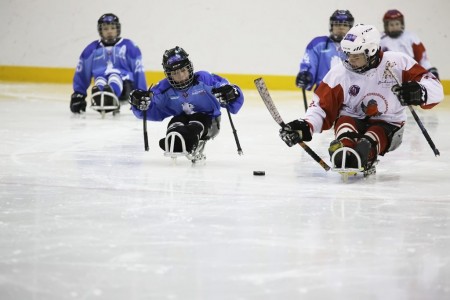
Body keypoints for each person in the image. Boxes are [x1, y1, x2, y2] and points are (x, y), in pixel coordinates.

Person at [280, 24, 444, 173]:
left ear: (371, 52)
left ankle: (367, 152)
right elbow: (321, 108)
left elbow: (436, 88)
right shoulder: (339, 74)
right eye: (348, 55)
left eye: (356, 56)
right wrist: (304, 127)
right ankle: (346, 149)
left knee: (366, 146)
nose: (350, 60)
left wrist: (420, 92)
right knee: (344, 144)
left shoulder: (398, 62)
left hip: (389, 123)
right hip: (351, 118)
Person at [129, 46, 244, 161]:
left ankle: (187, 138)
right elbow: (151, 108)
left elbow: (225, 87)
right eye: (175, 73)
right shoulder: (163, 89)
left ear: (189, 68)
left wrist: (231, 93)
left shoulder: (204, 79)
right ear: (168, 75)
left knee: (199, 119)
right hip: (183, 120)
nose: (181, 76)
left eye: (183, 70)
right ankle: (175, 139)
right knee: (176, 121)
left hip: (210, 123)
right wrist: (139, 103)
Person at [70, 13, 147, 114]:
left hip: (125, 85)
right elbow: (82, 72)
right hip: (102, 79)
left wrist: (141, 93)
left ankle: (110, 95)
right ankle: (101, 95)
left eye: (112, 28)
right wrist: (79, 94)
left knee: (114, 77)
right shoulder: (91, 49)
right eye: (105, 29)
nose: (109, 31)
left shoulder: (129, 46)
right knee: (100, 81)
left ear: (117, 29)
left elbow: (138, 71)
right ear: (100, 31)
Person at [295, 10, 354, 91]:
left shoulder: (356, 47)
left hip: (350, 93)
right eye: (337, 24)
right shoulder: (318, 44)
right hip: (323, 94)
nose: (341, 27)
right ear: (331, 26)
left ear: (350, 28)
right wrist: (306, 75)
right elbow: (310, 64)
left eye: (345, 25)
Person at [380, 9, 439, 79]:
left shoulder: (411, 37)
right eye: (391, 25)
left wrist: (429, 69)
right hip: (389, 75)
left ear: (402, 24)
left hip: (411, 73)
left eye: (397, 24)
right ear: (386, 26)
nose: (395, 27)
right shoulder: (380, 40)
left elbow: (422, 58)